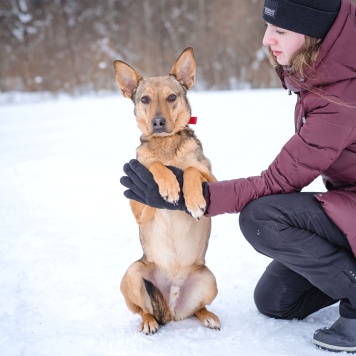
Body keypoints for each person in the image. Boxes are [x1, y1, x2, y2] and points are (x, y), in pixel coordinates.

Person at [120, 0, 356, 352]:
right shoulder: (325, 74)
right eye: (267, 27)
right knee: (276, 302)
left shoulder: (341, 94)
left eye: (279, 30)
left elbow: (278, 182)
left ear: (312, 33)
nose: (266, 39)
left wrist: (192, 195)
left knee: (262, 217)